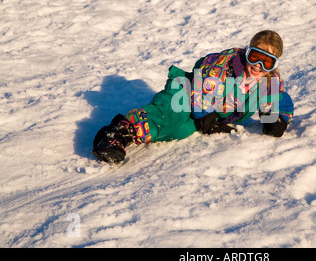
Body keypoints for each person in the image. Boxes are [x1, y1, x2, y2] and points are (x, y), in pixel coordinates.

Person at [92, 30, 294, 164]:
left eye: (267, 62)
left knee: (180, 130)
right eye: (255, 57)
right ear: (248, 52)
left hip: (209, 114)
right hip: (189, 93)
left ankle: (142, 134)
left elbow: (279, 100)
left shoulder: (268, 83)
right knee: (171, 116)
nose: (259, 66)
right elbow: (203, 89)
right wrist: (207, 119)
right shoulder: (225, 64)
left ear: (274, 65)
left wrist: (276, 120)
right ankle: (116, 135)